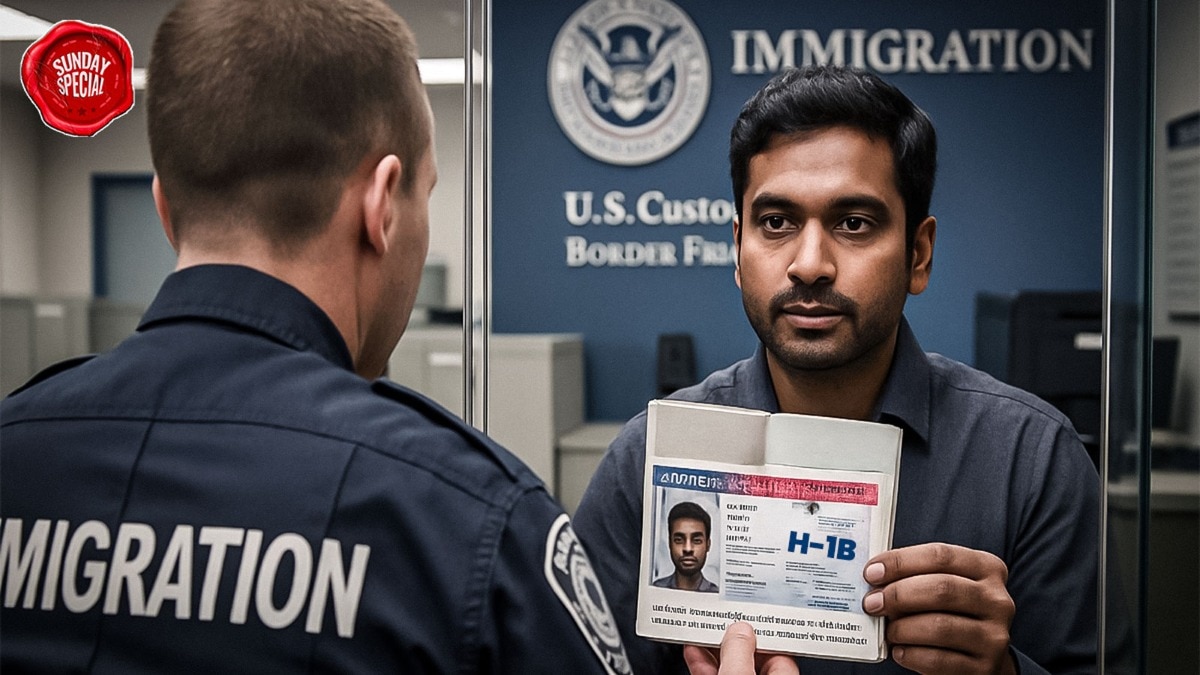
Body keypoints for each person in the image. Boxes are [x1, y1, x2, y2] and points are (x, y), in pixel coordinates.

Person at [0, 1, 639, 672]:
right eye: (425, 192)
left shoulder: (15, 447)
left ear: (166, 209)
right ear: (382, 205)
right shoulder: (464, 521)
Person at [574, 65, 1099, 675]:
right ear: (738, 251)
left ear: (918, 255)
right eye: (777, 223)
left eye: (854, 223)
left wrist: (1005, 673)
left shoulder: (1031, 460)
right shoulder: (646, 461)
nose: (810, 264)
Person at [652, 501, 719, 592]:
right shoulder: (656, 590)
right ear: (669, 543)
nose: (688, 549)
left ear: (708, 545)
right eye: (679, 540)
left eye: (697, 541)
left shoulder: (715, 595)